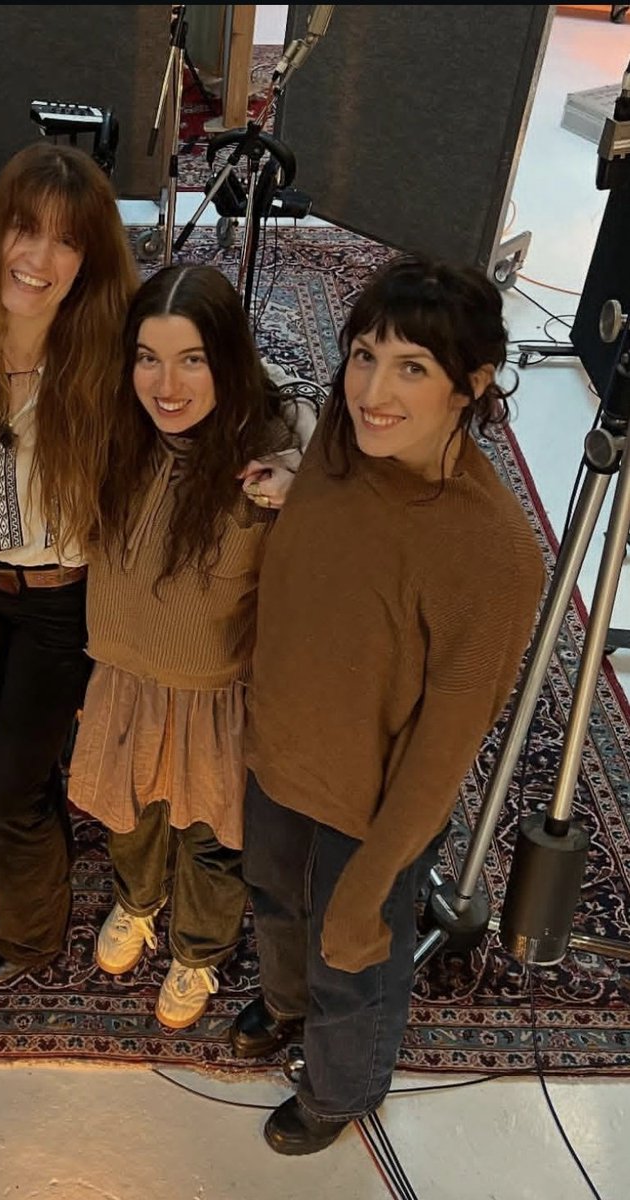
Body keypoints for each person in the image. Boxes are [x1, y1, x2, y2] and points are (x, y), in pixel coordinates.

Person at [228, 255, 544, 1153]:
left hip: (373, 809)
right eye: (364, 355)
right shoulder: (340, 435)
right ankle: (287, 1005)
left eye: (412, 368)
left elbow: (445, 751)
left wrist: (372, 885)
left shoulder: (495, 554)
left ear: (471, 386)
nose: (373, 390)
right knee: (277, 906)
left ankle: (341, 1089)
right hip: (282, 754)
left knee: (352, 950)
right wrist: (283, 499)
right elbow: (343, 551)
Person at [0, 142, 139, 984]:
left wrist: (289, 454)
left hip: (63, 603)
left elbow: (247, 385)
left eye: (66, 241)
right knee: (25, 757)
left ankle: (33, 936)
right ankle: (32, 873)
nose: (38, 259)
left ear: (90, 260)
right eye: (23, 228)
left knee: (7, 788)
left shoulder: (112, 348)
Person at [68, 264, 305, 1030]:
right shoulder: (115, 431)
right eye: (148, 357)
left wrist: (303, 482)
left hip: (214, 697)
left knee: (209, 840)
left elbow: (345, 470)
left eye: (192, 359)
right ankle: (139, 903)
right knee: (128, 814)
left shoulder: (267, 456)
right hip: (124, 675)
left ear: (230, 361)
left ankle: (198, 951)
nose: (166, 385)